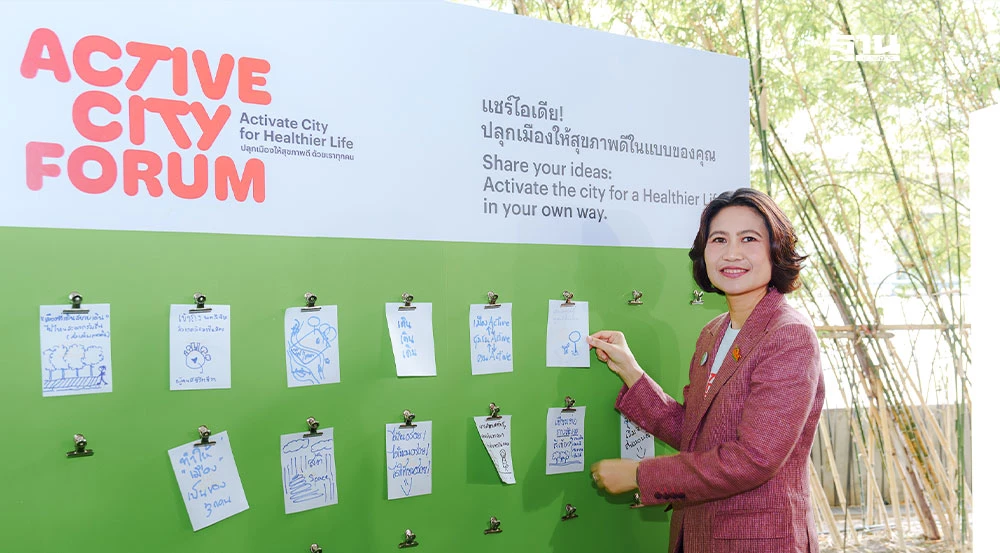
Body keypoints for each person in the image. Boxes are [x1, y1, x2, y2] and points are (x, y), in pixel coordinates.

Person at [587, 188, 824, 553]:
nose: (732, 253)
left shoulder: (788, 335)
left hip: (759, 542)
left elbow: (755, 459)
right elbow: (695, 434)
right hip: (697, 536)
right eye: (719, 239)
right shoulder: (713, 332)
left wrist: (639, 474)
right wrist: (631, 372)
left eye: (749, 239)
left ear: (776, 250)